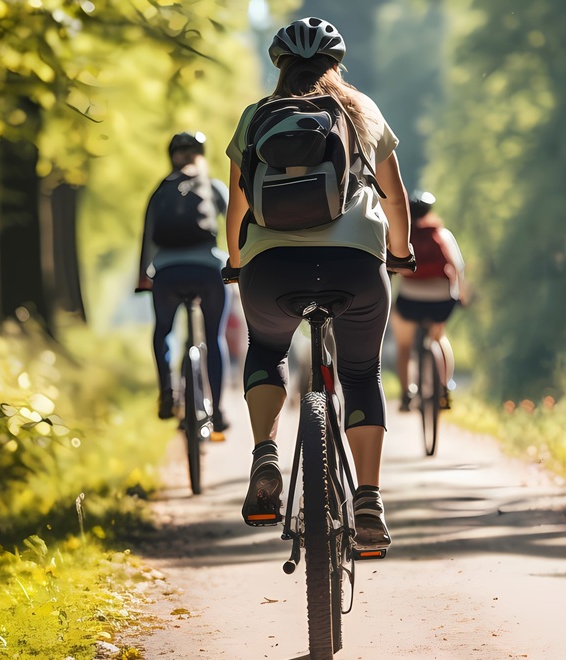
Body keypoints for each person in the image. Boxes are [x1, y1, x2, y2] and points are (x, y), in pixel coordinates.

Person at [223, 17, 414, 551]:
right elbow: (396, 198)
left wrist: (239, 265)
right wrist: (400, 254)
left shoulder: (256, 116)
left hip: (271, 268)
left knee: (265, 346)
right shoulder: (361, 110)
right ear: (336, 64)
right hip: (355, 266)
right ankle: (370, 502)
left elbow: (237, 205)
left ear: (279, 65)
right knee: (360, 372)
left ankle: (265, 455)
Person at [136, 131, 232, 433]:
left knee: (163, 330)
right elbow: (235, 226)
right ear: (201, 154)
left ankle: (167, 391)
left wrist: (143, 277)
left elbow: (147, 239)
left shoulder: (160, 191)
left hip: (167, 274)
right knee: (214, 338)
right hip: (208, 272)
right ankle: (216, 411)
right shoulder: (213, 186)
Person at [391, 191, 467, 412]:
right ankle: (444, 387)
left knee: (404, 346)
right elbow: (458, 267)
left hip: (410, 299)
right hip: (441, 299)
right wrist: (460, 296)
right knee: (439, 336)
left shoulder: (402, 234)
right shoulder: (441, 234)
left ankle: (406, 395)